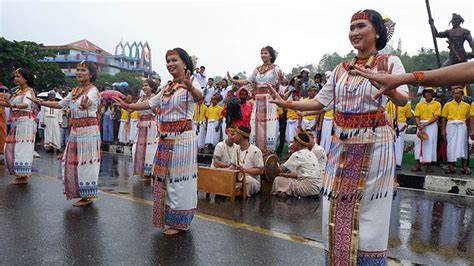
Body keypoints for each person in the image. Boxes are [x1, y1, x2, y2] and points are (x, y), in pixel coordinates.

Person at [269, 10, 408, 264]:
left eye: (361, 26)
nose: (354, 32)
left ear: (377, 31)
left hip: (376, 148)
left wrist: (384, 85)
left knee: (370, 214)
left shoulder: (390, 62)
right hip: (341, 148)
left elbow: (403, 97)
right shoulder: (341, 69)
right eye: (351, 27)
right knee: (333, 209)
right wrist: (287, 104)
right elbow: (319, 103)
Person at [114, 48, 202, 235]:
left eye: (174, 60)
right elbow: (150, 103)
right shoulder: (167, 88)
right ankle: (170, 219)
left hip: (182, 139)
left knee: (180, 180)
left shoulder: (192, 82)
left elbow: (199, 97)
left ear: (185, 63)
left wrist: (190, 87)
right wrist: (129, 106)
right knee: (165, 178)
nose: (170, 64)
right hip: (165, 138)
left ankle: (181, 222)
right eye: (167, 61)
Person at [30, 61, 101, 207]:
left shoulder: (93, 91)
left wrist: (86, 104)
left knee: (86, 163)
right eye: (78, 69)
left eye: (83, 70)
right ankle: (80, 192)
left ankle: (88, 195)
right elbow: (60, 104)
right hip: (75, 131)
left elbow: (91, 102)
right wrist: (40, 102)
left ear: (91, 74)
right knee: (72, 162)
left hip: (88, 131)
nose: (79, 72)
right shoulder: (75, 91)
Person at [228, 46, 284, 153]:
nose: (263, 55)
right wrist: (233, 80)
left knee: (269, 126)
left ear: (271, 55)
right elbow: (247, 81)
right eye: (262, 53)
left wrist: (281, 79)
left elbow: (281, 81)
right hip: (258, 100)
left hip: (269, 100)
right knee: (255, 125)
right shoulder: (257, 69)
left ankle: (268, 153)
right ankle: (257, 151)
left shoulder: (275, 68)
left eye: (266, 53)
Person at [0, 68, 37, 184]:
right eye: (15, 77)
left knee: (22, 148)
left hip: (25, 122)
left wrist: (12, 105)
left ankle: (23, 175)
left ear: (25, 79)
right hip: (16, 122)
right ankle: (19, 174)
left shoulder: (29, 91)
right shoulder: (17, 91)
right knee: (9, 148)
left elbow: (26, 104)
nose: (15, 79)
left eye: (18, 76)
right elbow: (9, 104)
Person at [271, 133, 322, 198]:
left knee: (278, 180)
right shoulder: (312, 153)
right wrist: (286, 174)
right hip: (317, 188)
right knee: (288, 179)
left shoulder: (297, 154)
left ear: (297, 144)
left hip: (307, 188)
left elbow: (282, 169)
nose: (292, 144)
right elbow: (302, 175)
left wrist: (278, 165)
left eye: (294, 142)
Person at [132, 79, 159, 182]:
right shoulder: (141, 98)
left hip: (150, 126)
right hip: (141, 126)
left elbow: (156, 111)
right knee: (136, 148)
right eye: (143, 85)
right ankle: (142, 170)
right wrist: (123, 104)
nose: (144, 87)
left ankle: (149, 172)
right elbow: (133, 108)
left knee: (150, 149)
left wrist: (149, 104)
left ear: (152, 87)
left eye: (146, 85)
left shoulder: (154, 98)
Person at [441, 87, 471, 174]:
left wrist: (468, 129)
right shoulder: (448, 105)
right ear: (452, 94)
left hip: (462, 126)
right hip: (451, 126)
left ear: (462, 94)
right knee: (451, 146)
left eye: (458, 93)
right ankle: (451, 167)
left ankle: (464, 167)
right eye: (455, 93)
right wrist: (443, 130)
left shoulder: (467, 105)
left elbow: (468, 118)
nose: (456, 95)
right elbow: (443, 118)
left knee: (463, 146)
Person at [230, 125, 264, 197]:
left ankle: (234, 190)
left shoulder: (256, 151)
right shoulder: (236, 148)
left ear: (240, 136)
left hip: (252, 181)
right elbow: (232, 166)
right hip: (237, 178)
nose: (233, 137)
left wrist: (244, 170)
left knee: (247, 181)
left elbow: (260, 171)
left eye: (235, 134)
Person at [413, 87, 441, 172]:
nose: (428, 94)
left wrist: (425, 124)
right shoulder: (419, 104)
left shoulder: (437, 104)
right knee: (418, 144)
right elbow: (416, 116)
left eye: (430, 92)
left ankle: (429, 165)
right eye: (426, 92)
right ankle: (418, 164)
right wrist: (419, 125)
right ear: (424, 94)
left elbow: (436, 117)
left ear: (433, 94)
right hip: (420, 125)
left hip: (431, 125)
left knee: (430, 144)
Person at [385, 99, 413, 170]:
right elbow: (386, 115)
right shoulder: (390, 103)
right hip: (391, 123)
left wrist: (403, 125)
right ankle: (390, 162)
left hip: (401, 123)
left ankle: (398, 163)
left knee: (399, 143)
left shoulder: (406, 104)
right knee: (391, 142)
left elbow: (409, 117)